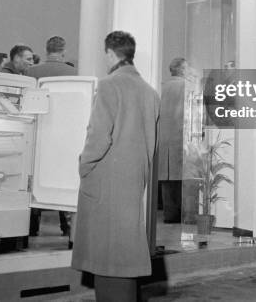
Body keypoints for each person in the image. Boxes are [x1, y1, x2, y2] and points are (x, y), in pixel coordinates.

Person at [71, 31, 159, 302]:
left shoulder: (109, 85)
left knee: (106, 256)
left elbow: (98, 136)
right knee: (124, 254)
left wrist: (84, 166)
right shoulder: (150, 92)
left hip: (106, 180)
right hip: (133, 181)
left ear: (110, 53)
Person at [26, 36, 76, 238]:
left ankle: (30, 226)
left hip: (37, 133)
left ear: (46, 51)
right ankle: (67, 226)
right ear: (63, 52)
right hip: (63, 135)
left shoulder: (31, 72)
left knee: (34, 180)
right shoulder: (73, 72)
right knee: (63, 181)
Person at [158, 57, 187, 223]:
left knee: (166, 179)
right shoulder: (186, 86)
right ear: (182, 70)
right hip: (179, 135)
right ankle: (182, 215)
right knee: (181, 179)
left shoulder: (163, 86)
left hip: (164, 136)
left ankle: (169, 215)